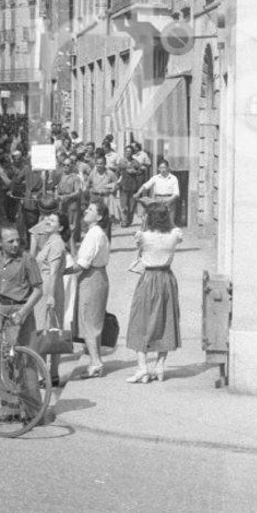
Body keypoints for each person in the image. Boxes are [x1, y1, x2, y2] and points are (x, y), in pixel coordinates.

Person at [0, 224, 44, 419]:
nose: (16, 244)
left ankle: (33, 412)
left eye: (18, 240)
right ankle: (10, 408)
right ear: (0, 242)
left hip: (21, 312)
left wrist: (24, 312)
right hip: (1, 312)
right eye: (10, 241)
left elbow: (38, 290)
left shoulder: (27, 260)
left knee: (25, 362)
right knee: (2, 360)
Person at [126, 203, 183, 382]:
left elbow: (139, 243)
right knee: (166, 320)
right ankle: (160, 365)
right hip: (167, 277)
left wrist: (144, 224)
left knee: (140, 320)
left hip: (149, 278)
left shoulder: (143, 236)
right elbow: (175, 231)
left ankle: (142, 367)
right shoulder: (174, 235)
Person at [68, 196, 112, 378]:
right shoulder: (96, 233)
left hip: (92, 277)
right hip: (97, 276)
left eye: (91, 210)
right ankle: (96, 360)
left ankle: (95, 363)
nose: (86, 211)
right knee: (93, 321)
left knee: (89, 322)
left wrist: (59, 272)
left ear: (99, 217)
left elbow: (81, 264)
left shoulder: (94, 234)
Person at [29, 203, 70, 388]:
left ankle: (49, 374)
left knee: (47, 331)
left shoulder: (56, 243)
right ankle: (49, 374)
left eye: (52, 220)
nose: (48, 221)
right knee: (48, 330)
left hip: (48, 288)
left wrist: (51, 296)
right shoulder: (51, 240)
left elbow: (53, 272)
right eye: (48, 218)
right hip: (47, 285)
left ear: (60, 227)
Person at [136, 157, 181, 229]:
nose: (162, 170)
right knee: (150, 219)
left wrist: (168, 200)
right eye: (161, 168)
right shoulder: (155, 178)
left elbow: (176, 193)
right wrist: (137, 193)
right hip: (157, 200)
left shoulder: (173, 178)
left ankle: (174, 237)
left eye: (164, 167)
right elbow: (145, 186)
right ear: (158, 169)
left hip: (169, 200)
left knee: (170, 223)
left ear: (168, 168)